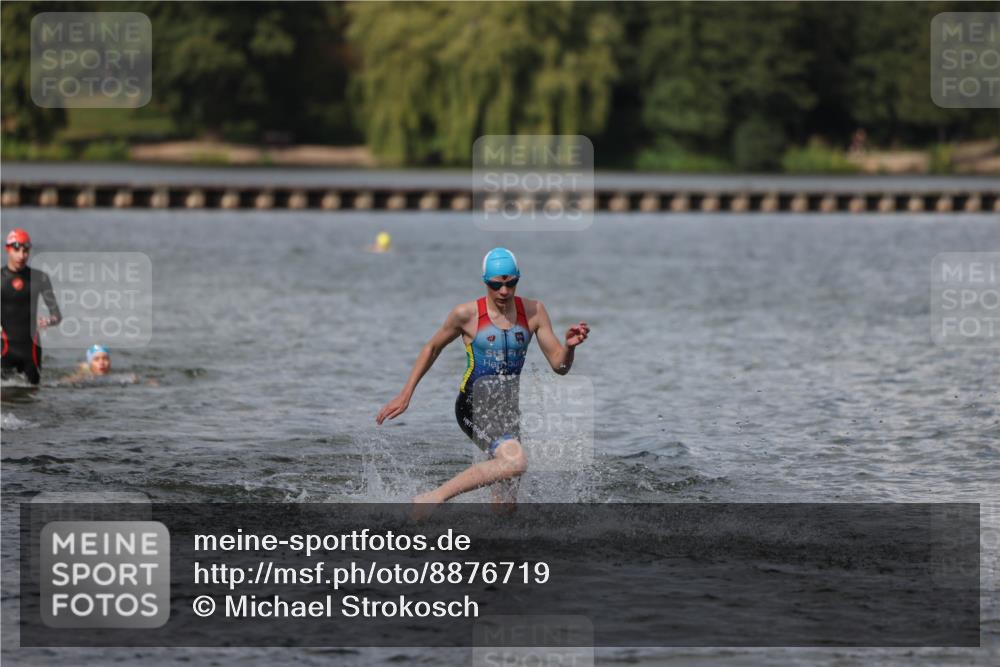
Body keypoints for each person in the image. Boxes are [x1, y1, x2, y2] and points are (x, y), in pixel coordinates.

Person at [376, 248, 589, 512]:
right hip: (473, 406)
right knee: (516, 462)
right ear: (485, 282)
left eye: (511, 283)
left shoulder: (534, 312)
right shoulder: (466, 314)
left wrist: (569, 347)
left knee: (506, 508)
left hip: (507, 412)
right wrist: (406, 394)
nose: (504, 291)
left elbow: (560, 366)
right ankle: (430, 499)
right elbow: (432, 348)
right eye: (496, 285)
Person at [1, 229, 61, 385]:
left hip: (31, 350)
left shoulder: (40, 278)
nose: (21, 255)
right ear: (7, 249)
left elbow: (57, 315)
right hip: (4, 348)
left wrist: (49, 321)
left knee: (33, 394)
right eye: (16, 250)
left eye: (25, 251)